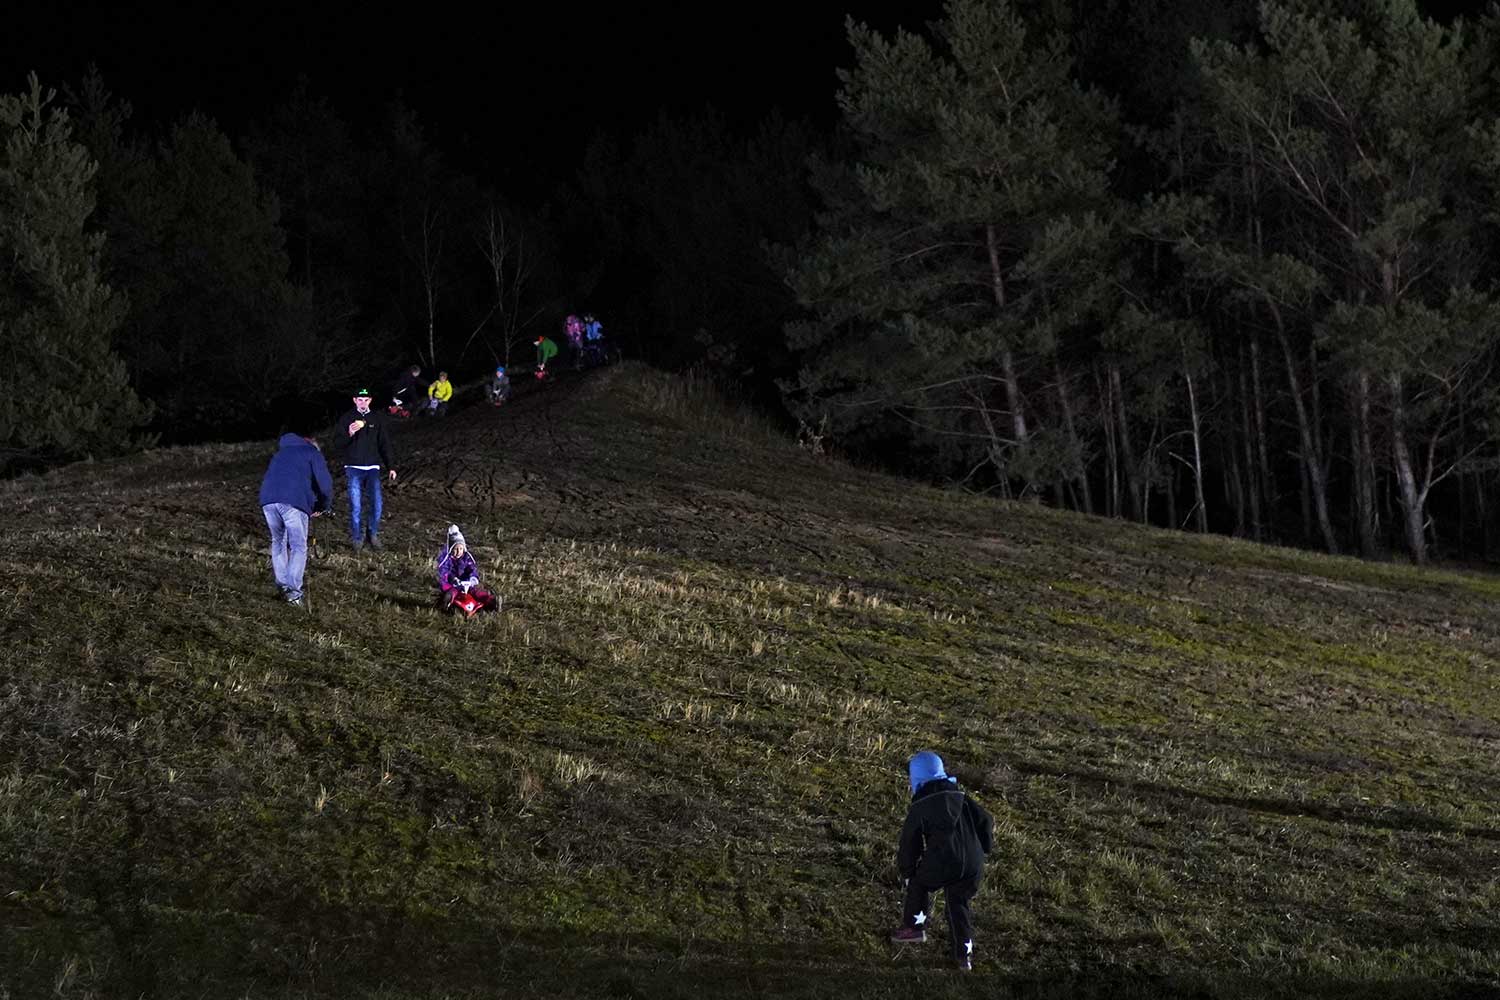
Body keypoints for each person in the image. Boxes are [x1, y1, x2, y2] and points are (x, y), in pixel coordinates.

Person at [889, 751, 994, 971]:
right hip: (973, 864)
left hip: (944, 860)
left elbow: (910, 843)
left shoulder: (921, 805)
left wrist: (907, 872)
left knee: (919, 883)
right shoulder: (962, 798)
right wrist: (985, 847)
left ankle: (914, 927)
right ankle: (963, 956)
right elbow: (986, 820)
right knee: (959, 903)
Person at [257, 421, 334, 610]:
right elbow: (325, 485)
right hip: (293, 503)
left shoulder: (280, 453)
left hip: (268, 500)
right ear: (312, 442)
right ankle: (293, 593)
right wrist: (324, 506)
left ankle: (282, 585)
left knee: (278, 542)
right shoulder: (312, 453)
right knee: (299, 546)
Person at [335, 388, 398, 552]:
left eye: (366, 400)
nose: (363, 403)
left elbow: (384, 443)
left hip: (372, 468)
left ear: (370, 400)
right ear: (355, 400)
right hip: (353, 467)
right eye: (360, 400)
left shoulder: (376, 418)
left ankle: (373, 534)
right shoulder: (347, 418)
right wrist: (349, 433)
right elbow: (337, 444)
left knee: (377, 504)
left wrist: (390, 466)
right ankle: (357, 538)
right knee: (356, 506)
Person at [437, 524, 498, 615]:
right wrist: (451, 579)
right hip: (453, 585)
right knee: (452, 593)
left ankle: (491, 601)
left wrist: (472, 578)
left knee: (476, 593)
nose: (458, 552)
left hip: (466, 584)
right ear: (451, 549)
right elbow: (444, 571)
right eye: (455, 549)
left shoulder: (467, 558)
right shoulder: (447, 559)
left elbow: (472, 569)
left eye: (460, 549)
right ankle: (446, 603)